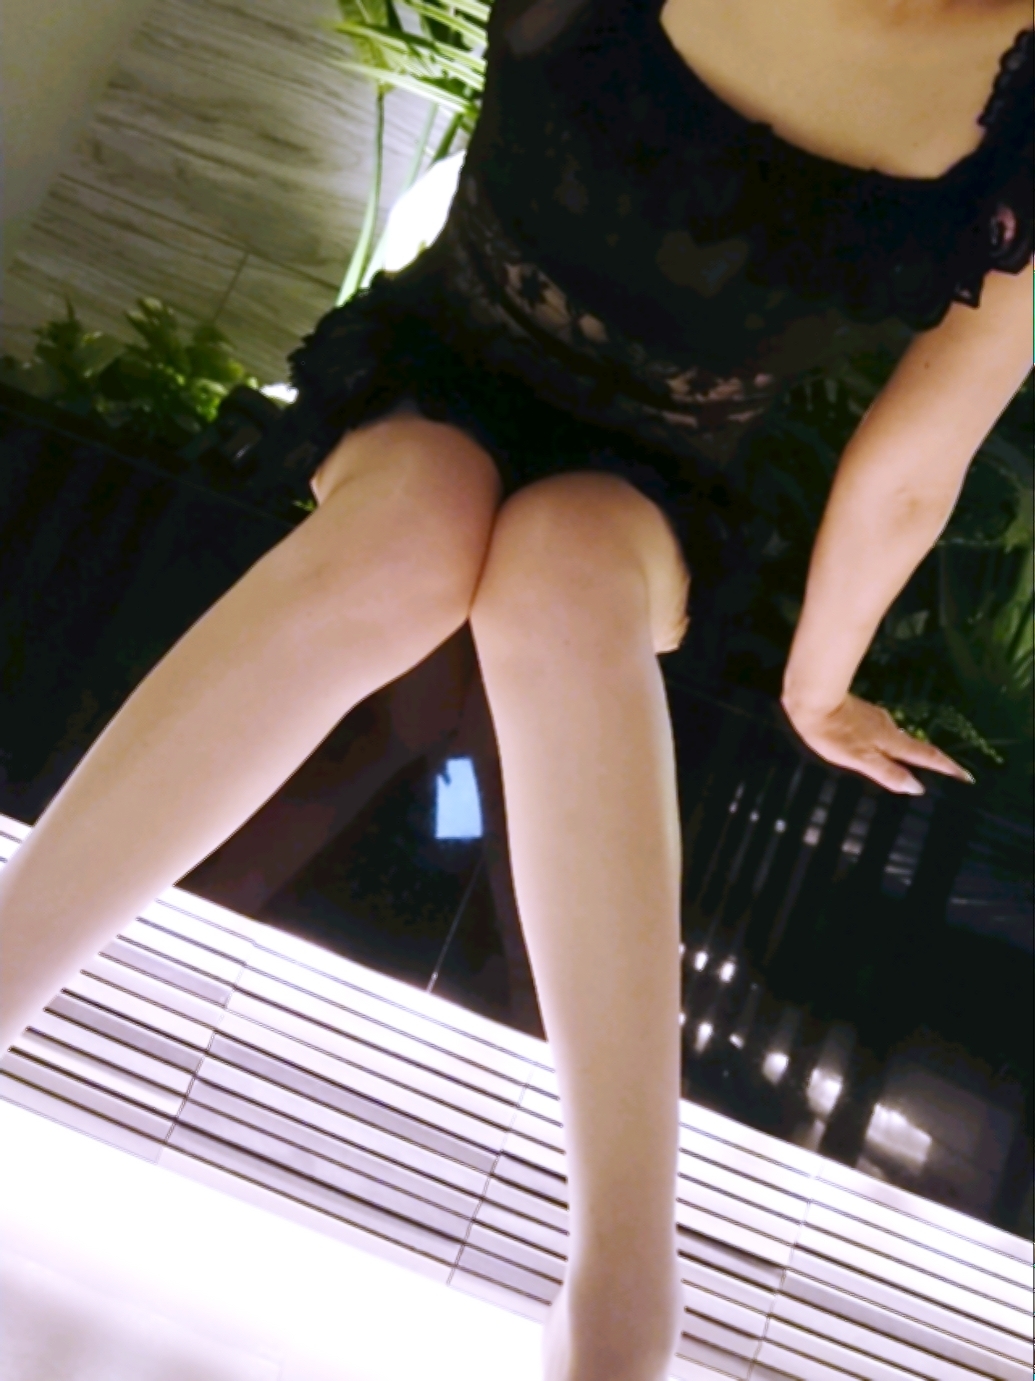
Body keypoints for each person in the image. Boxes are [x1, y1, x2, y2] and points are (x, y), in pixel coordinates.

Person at [1, 0, 1031, 1375]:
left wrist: (818, 687)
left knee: (561, 572)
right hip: (434, 366)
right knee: (412, 535)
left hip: (658, 480)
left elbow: (916, 460)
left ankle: (624, 1275)